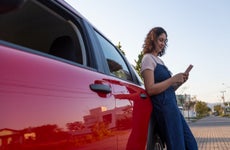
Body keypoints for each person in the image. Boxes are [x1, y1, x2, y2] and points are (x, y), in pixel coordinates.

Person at [141, 27, 198, 150]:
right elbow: (150, 89)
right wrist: (172, 79)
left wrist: (179, 82)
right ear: (152, 39)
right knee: (177, 146)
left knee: (191, 145)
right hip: (164, 110)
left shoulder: (159, 60)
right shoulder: (147, 59)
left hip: (173, 108)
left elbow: (168, 89)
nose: (163, 44)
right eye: (160, 40)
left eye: (165, 41)